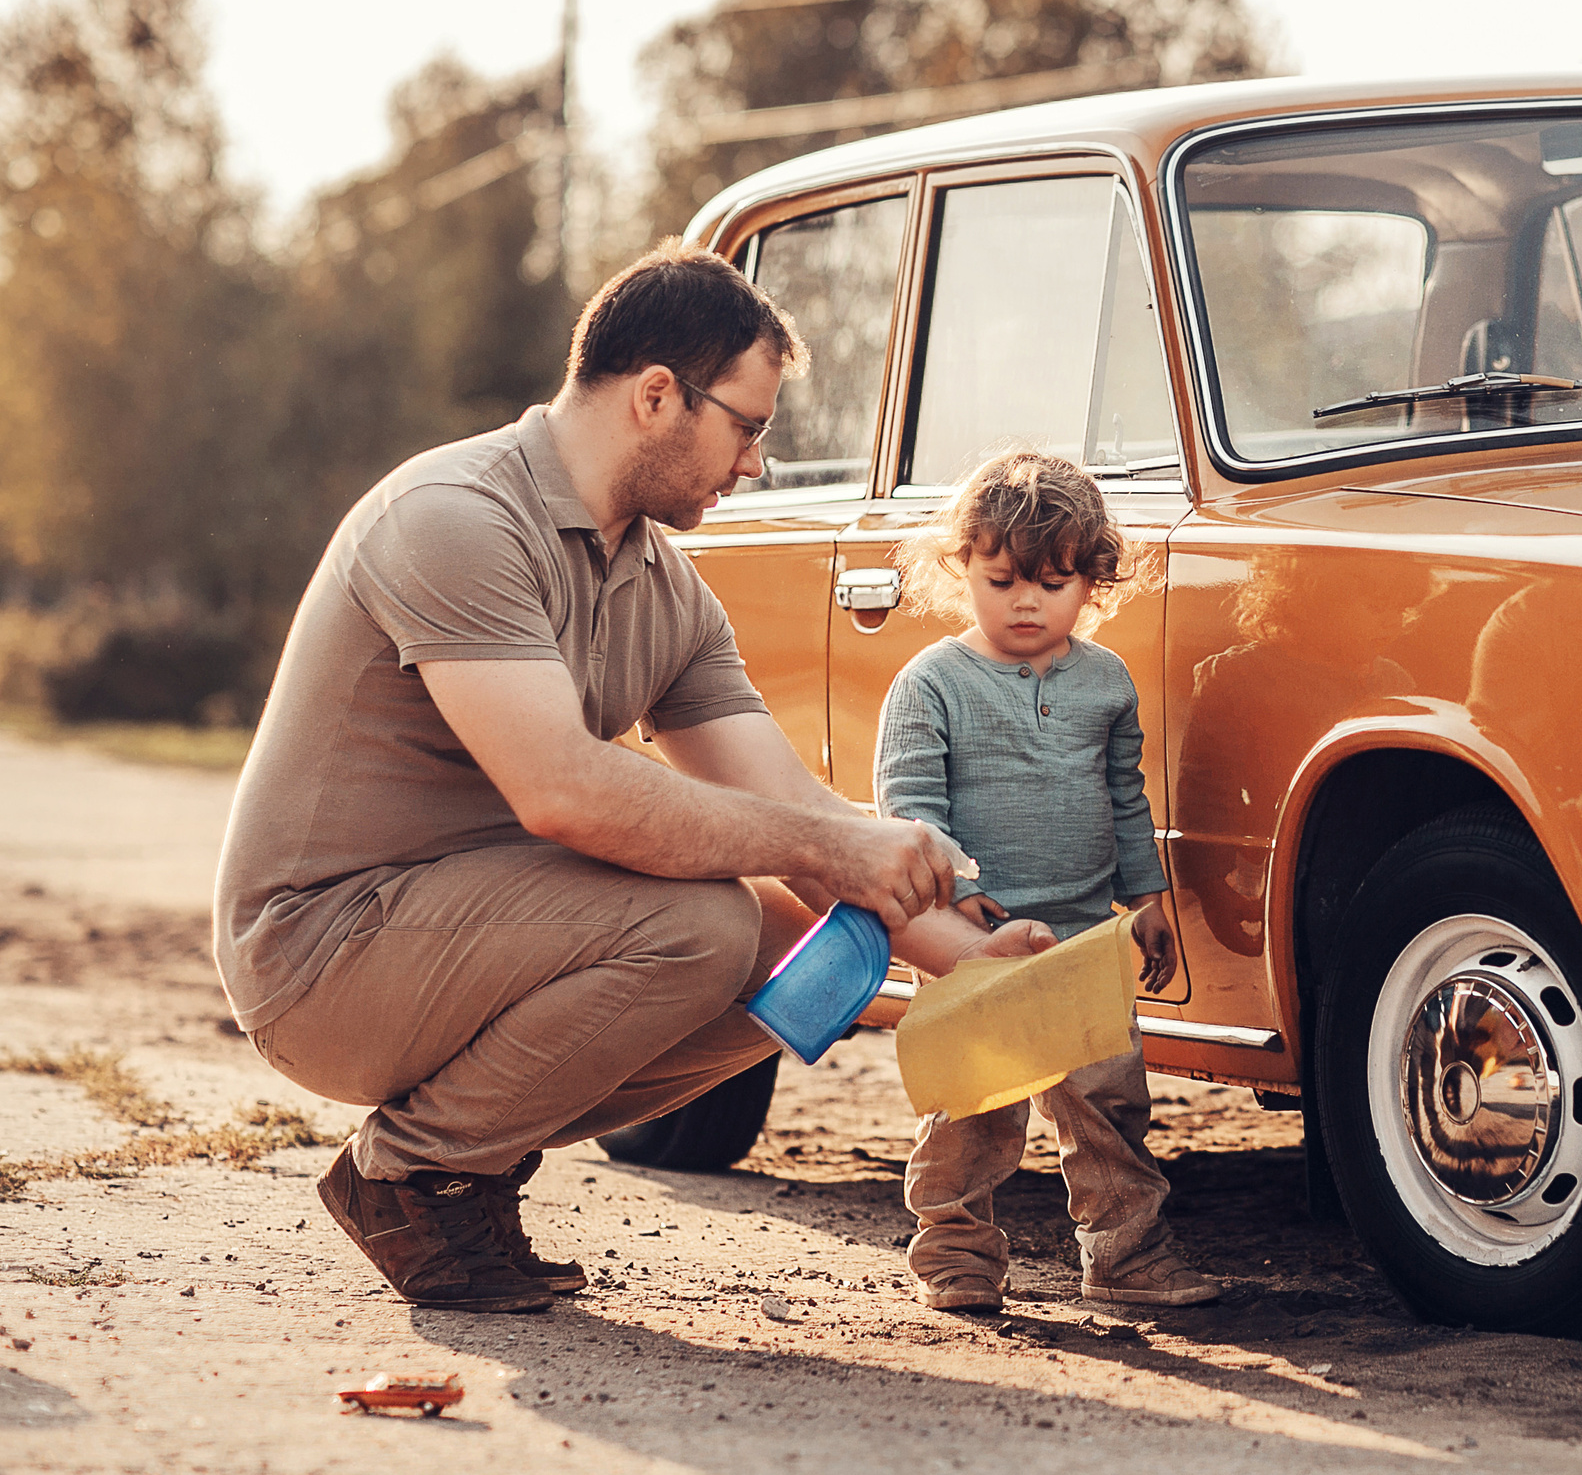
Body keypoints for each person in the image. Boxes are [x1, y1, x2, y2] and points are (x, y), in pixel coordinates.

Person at [212, 240, 1048, 1316]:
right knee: (699, 927)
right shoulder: (455, 517)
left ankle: (467, 1161)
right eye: (747, 426)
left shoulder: (666, 589)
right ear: (658, 395)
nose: (754, 462)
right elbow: (562, 791)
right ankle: (414, 1176)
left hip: (476, 934)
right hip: (324, 949)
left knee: (810, 949)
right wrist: (829, 849)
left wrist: (980, 963)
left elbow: (793, 808)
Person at [876, 451, 1221, 1312]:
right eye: (1001, 580)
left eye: (1053, 582)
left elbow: (1125, 796)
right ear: (962, 570)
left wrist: (1147, 898)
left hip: (1083, 934)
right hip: (974, 948)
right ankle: (954, 1255)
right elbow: (908, 809)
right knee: (973, 1112)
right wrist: (953, 893)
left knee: (1110, 1106)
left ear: (1094, 578)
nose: (1025, 602)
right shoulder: (932, 684)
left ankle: (1126, 1256)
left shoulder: (1105, 681)